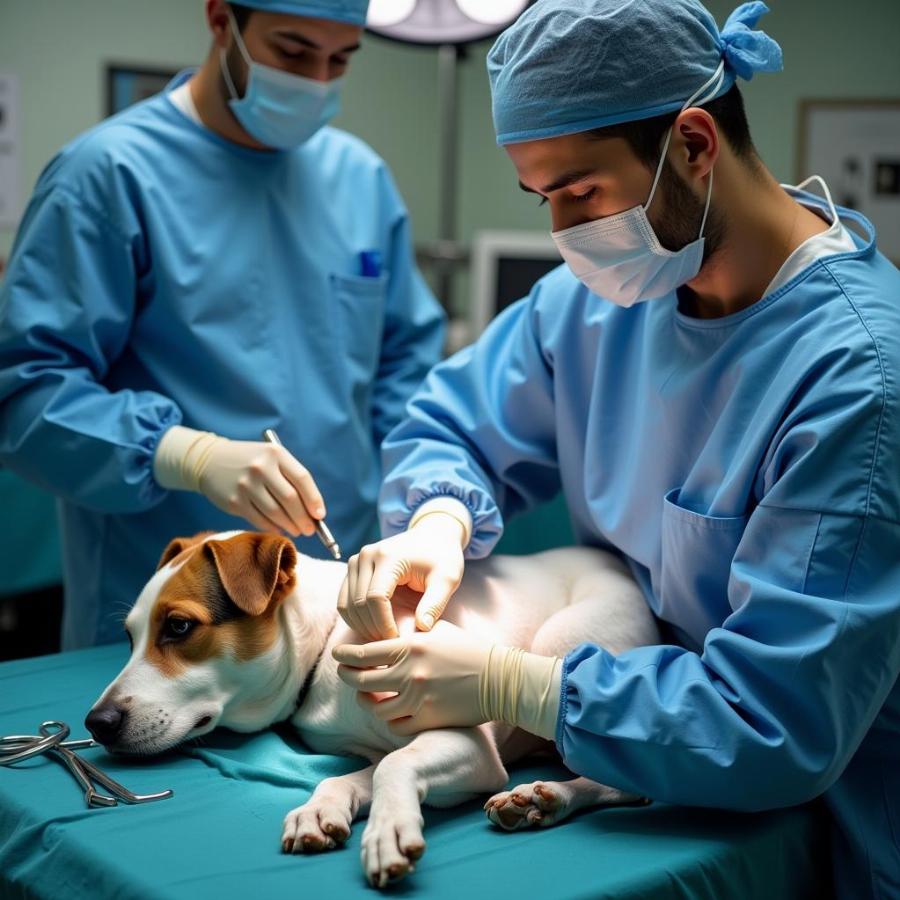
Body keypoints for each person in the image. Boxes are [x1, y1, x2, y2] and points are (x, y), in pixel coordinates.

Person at [331, 2, 900, 896]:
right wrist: (437, 518)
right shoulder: (597, 304)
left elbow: (780, 725)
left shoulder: (857, 382)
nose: (562, 231)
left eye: (579, 192)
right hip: (629, 772)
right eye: (542, 198)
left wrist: (527, 689)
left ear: (695, 144)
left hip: (809, 827)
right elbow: (449, 422)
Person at [0, 0, 445, 649]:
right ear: (220, 21)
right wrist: (188, 456)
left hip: (332, 601)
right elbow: (27, 394)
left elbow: (406, 371)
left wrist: (416, 511)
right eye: (293, 52)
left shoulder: (360, 179)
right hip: (166, 624)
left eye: (340, 59)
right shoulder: (107, 177)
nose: (317, 79)